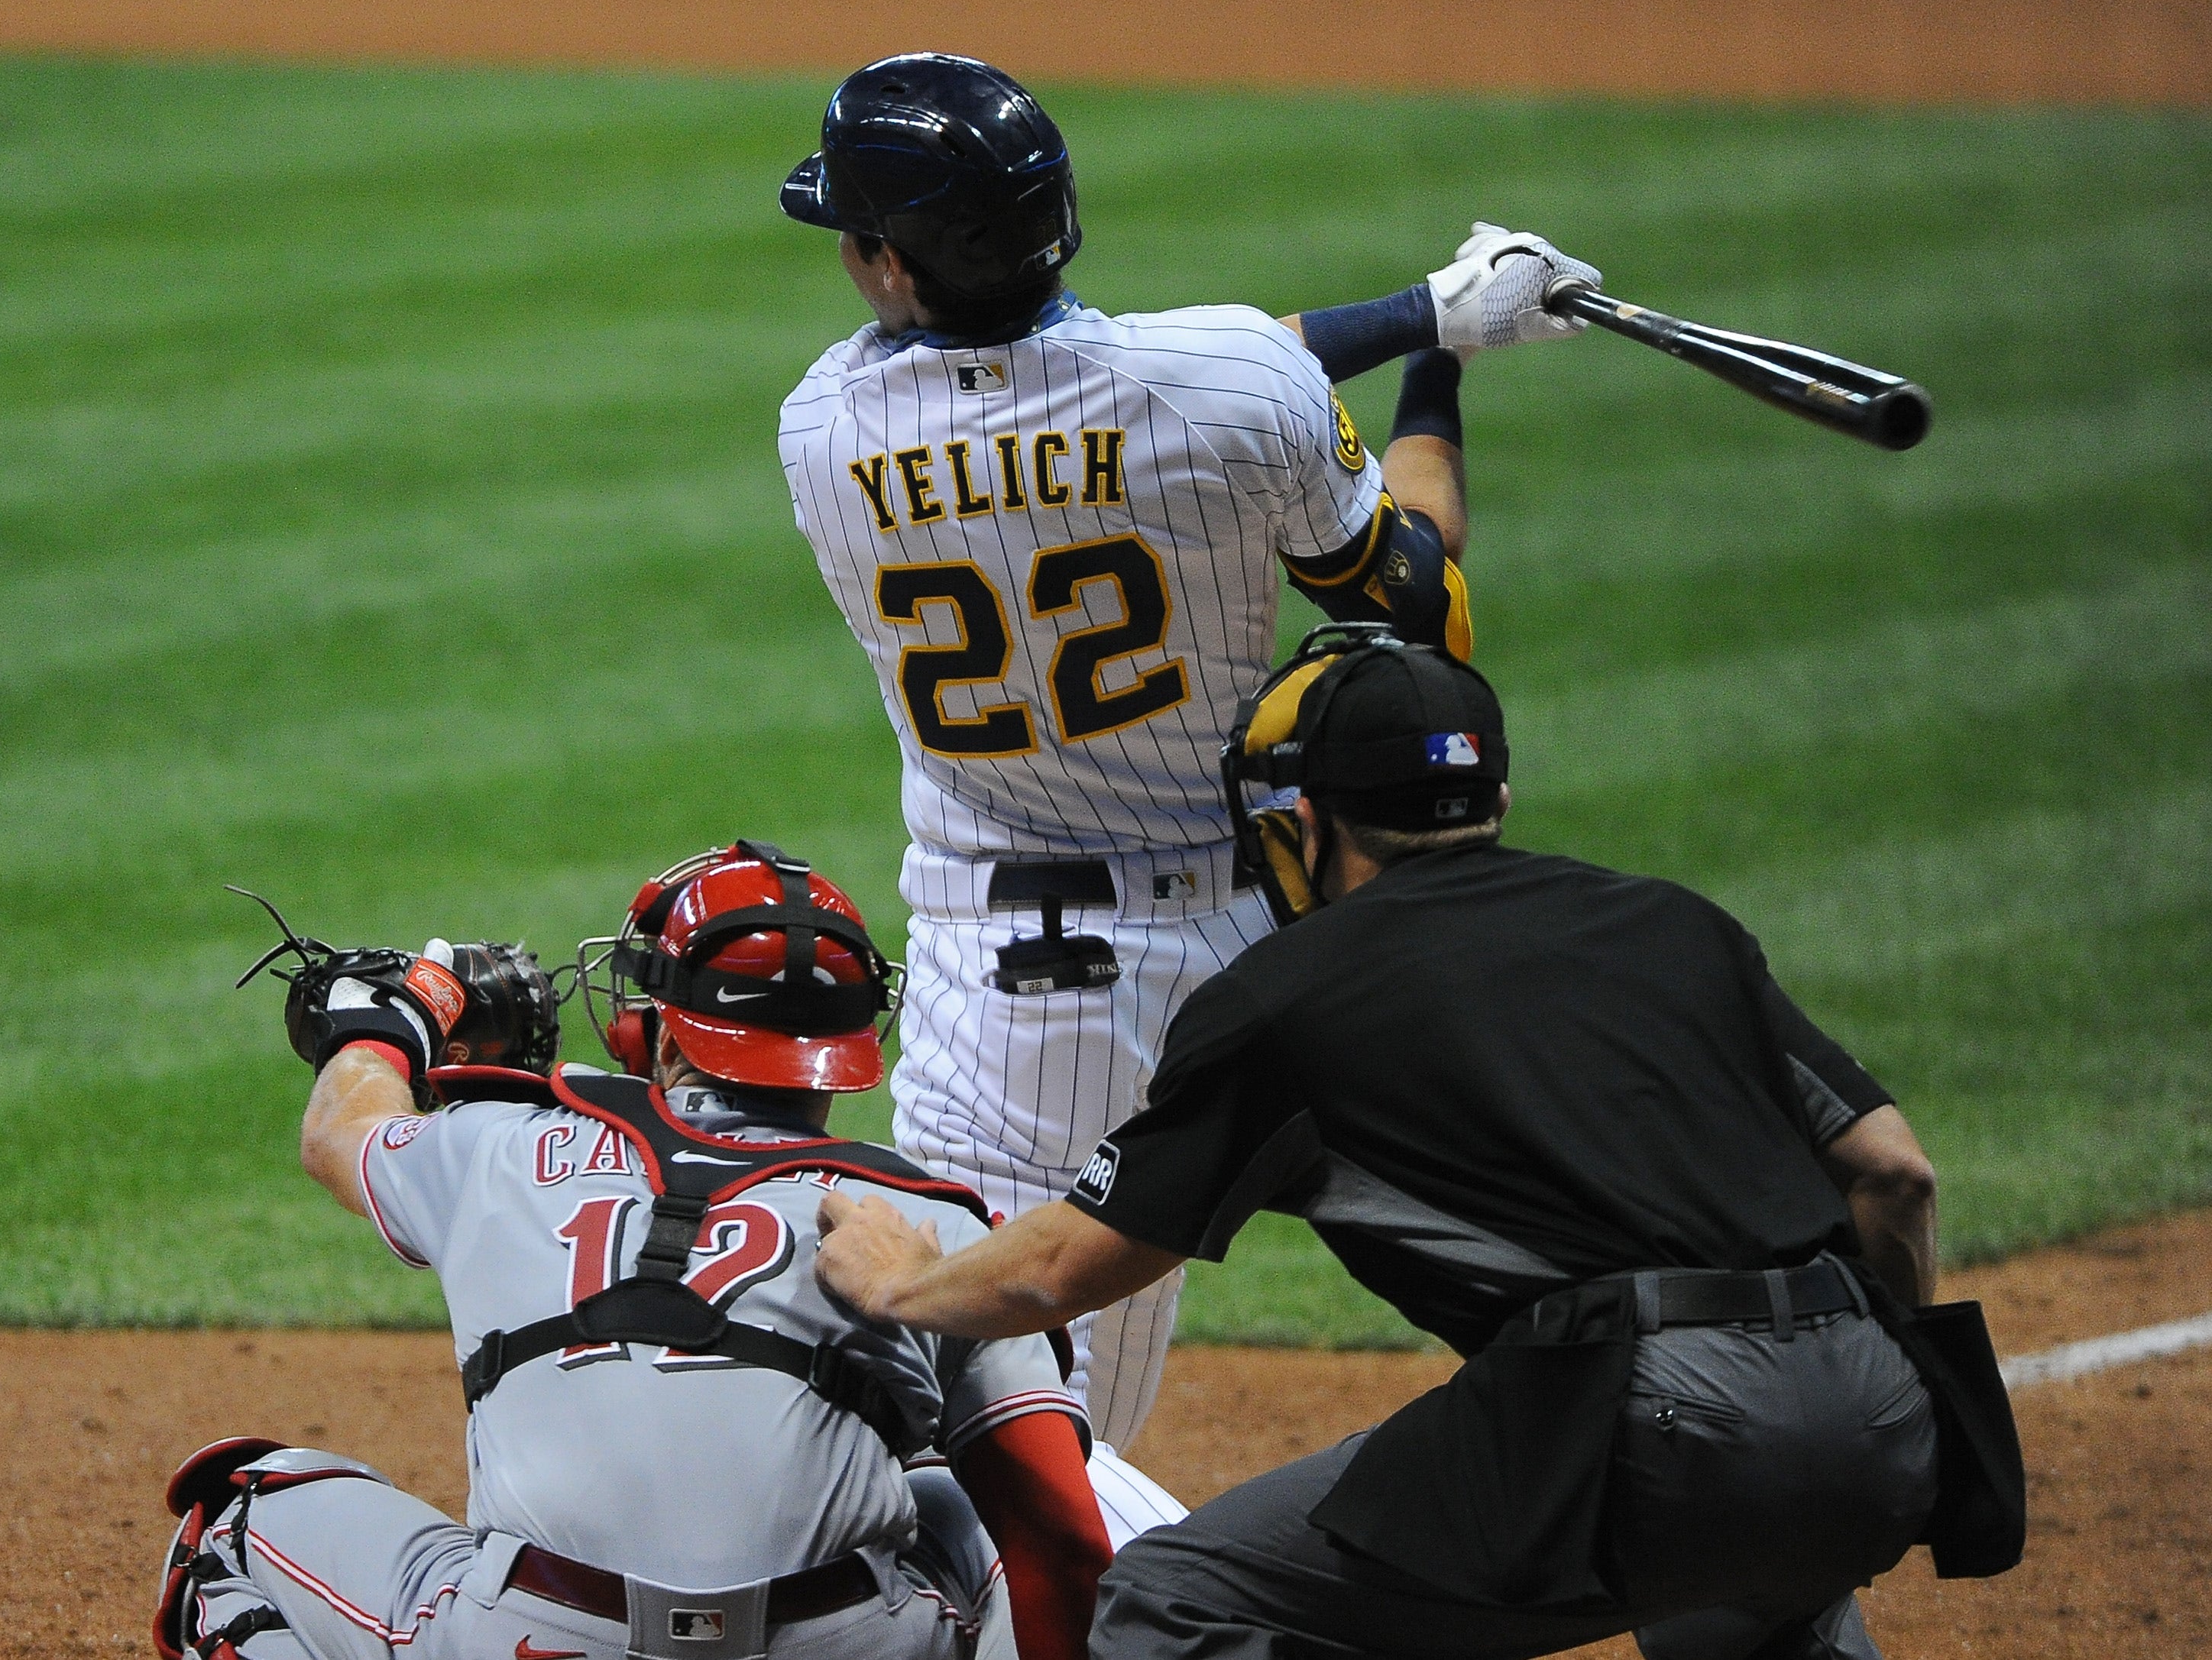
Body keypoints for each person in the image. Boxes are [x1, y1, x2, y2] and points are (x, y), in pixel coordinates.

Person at [812, 633, 2025, 1660]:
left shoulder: (1290, 993)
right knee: (1752, 1591)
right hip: (1880, 1416)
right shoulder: (1675, 922)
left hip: (1648, 1423)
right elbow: (1894, 1170)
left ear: (1306, 818)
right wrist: (1852, 1371)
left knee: (1177, 1601)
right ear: (1491, 797)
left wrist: (904, 1279)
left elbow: (1061, 1266)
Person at [775, 50, 1601, 1460]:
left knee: (1020, 1441)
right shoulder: (1226, 386)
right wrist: (1439, 349)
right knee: (1555, 1278)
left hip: (1020, 1010)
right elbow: (1413, 588)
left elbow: (1172, 372)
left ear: (898, 268)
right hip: (1287, 948)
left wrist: (1420, 315)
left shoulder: (827, 426)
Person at [156, 841, 1115, 1660]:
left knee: (237, 1521)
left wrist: (391, 1016)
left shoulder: (500, 1143)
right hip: (840, 1643)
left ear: (654, 1031)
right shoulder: (931, 1223)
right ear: (853, 1042)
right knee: (959, 1502)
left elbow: (341, 1129)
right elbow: (1065, 1545)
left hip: (534, 1637)